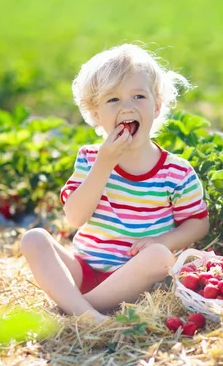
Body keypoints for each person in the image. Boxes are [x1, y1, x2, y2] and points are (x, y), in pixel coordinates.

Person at [21, 44, 210, 321]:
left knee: (160, 256)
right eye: (113, 100)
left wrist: (162, 240)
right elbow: (75, 217)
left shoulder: (176, 171)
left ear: (156, 106)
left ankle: (78, 309)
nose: (127, 107)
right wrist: (104, 164)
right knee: (34, 239)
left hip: (135, 280)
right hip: (85, 270)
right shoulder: (90, 159)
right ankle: (89, 314)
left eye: (138, 96)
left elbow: (198, 223)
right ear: (96, 114)